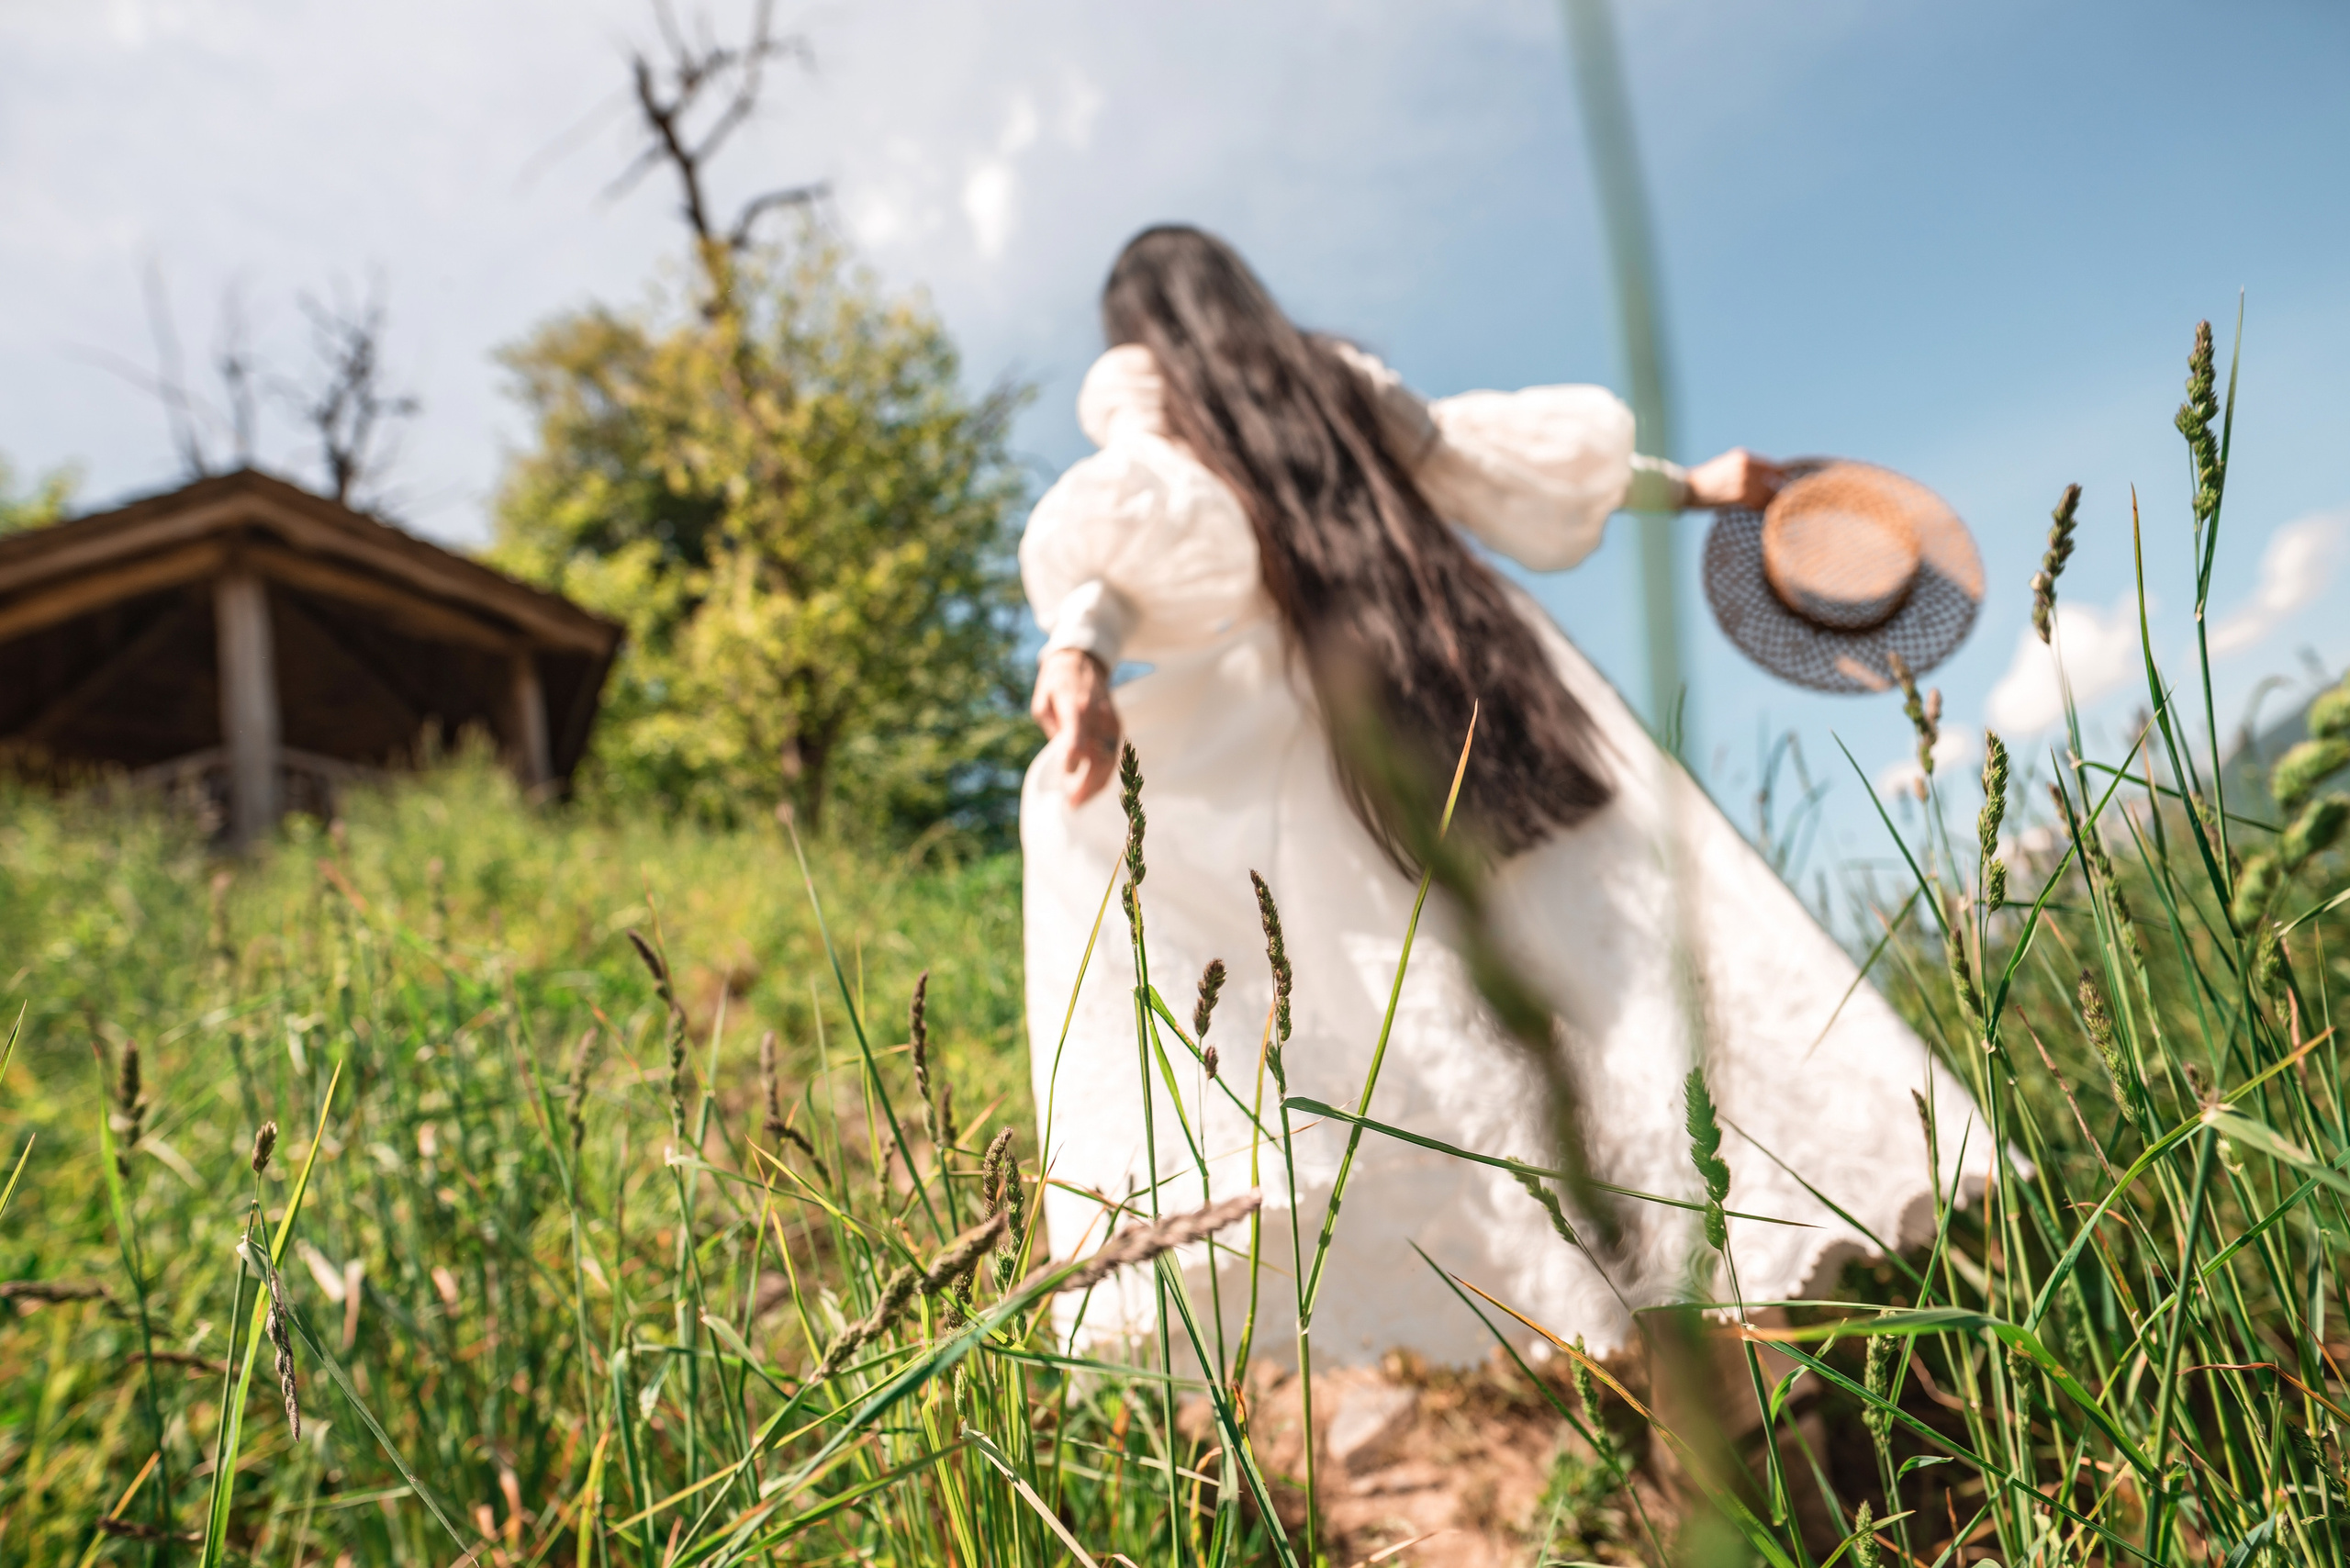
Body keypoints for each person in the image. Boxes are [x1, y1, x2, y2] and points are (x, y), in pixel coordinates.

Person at [1019, 225, 1981, 1367]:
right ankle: (1762, 1334)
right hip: (1488, 676)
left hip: (1340, 731)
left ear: (1139, 329)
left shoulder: (1158, 392)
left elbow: (1144, 509)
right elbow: (1481, 464)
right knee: (1630, 990)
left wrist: (1079, 649)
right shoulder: (1339, 380)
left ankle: (1654, 1349)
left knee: (1459, 1022)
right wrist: (1691, 487)